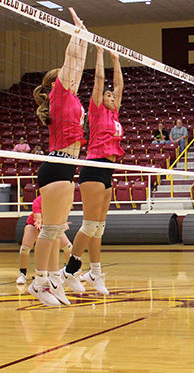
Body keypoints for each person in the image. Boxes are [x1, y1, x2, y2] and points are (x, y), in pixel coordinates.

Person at [30, 7, 88, 307]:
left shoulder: (72, 97)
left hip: (67, 168)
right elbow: (72, 62)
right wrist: (76, 35)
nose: (74, 78)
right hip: (56, 166)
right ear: (58, 82)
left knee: (55, 230)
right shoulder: (60, 94)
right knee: (51, 231)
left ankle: (52, 280)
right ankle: (39, 282)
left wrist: (85, 38)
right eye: (68, 78)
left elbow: (78, 65)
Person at [61, 47, 124, 296]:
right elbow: (100, 81)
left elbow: (119, 85)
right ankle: (70, 270)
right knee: (89, 225)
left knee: (100, 227)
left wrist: (116, 60)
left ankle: (95, 272)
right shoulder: (97, 111)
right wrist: (99, 55)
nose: (111, 96)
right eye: (107, 95)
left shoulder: (114, 112)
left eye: (112, 95)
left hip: (107, 171)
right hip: (94, 168)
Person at [17, 195, 73, 285]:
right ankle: (22, 273)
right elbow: (38, 219)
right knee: (25, 248)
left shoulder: (60, 199)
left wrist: (63, 222)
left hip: (52, 226)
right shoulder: (38, 201)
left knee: (68, 247)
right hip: (34, 226)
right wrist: (39, 223)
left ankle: (70, 272)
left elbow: (61, 215)